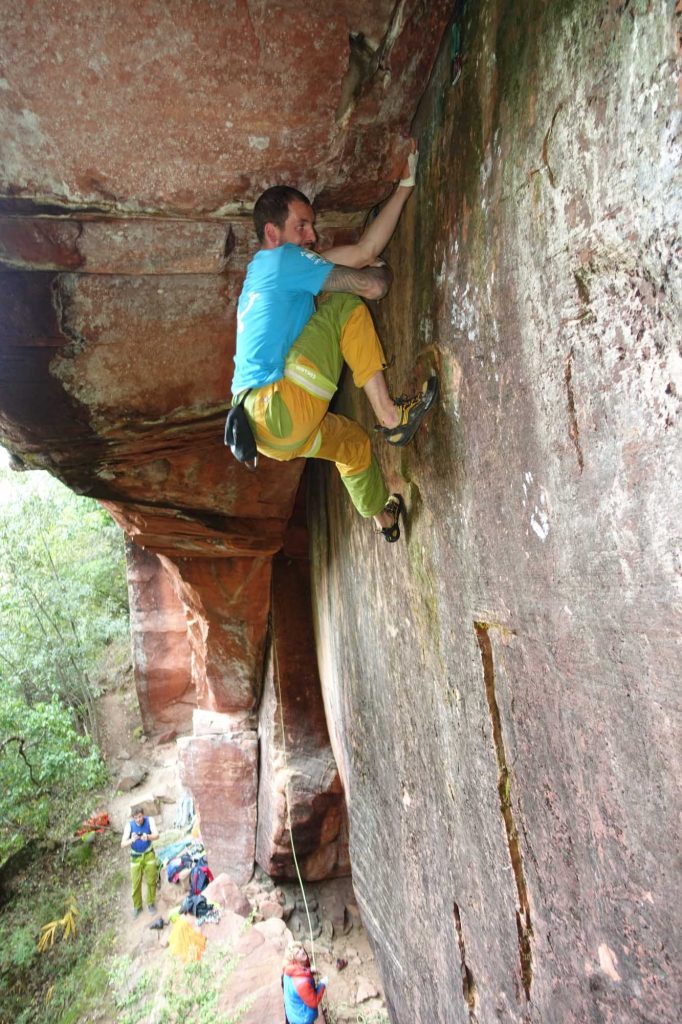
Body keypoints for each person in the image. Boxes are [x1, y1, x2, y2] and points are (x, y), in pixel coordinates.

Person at [231, 146, 438, 543]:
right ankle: (392, 418)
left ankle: (384, 519)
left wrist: (406, 186)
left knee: (354, 446)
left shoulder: (268, 276)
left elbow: (363, 251)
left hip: (270, 435)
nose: (312, 235)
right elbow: (372, 284)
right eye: (302, 226)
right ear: (273, 233)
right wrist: (380, 273)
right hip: (280, 402)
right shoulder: (282, 261)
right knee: (344, 305)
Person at [120, 805, 159, 918]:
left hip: (148, 854)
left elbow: (157, 835)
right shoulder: (129, 826)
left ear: (143, 815)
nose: (139, 819)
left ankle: (151, 903)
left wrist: (148, 837)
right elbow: (122, 844)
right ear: (133, 818)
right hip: (135, 857)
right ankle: (137, 906)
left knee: (151, 880)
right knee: (135, 883)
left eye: (140, 816)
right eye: (136, 817)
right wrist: (131, 840)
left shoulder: (149, 820)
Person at [281, 942, 328, 1024]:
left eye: (300, 948)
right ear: (294, 958)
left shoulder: (288, 969)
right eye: (297, 953)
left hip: (293, 1012)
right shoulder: (302, 983)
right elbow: (314, 1001)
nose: (302, 951)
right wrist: (323, 984)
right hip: (302, 1019)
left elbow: (299, 973)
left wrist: (308, 971)